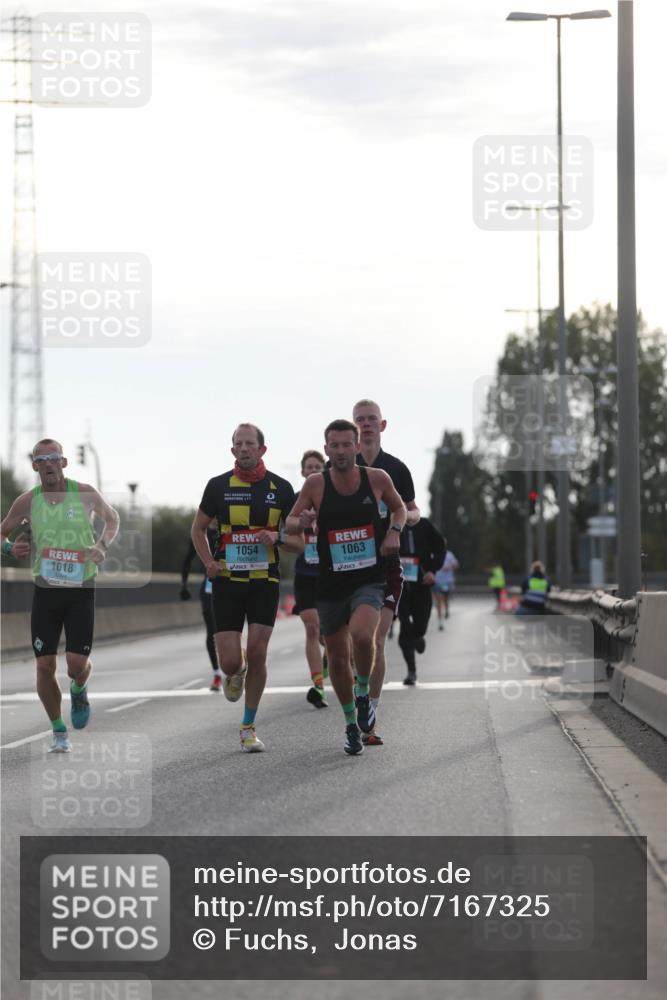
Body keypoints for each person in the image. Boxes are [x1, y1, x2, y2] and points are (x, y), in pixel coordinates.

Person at [286, 419, 407, 756]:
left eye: (345, 445)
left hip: (369, 576)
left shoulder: (377, 479)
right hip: (330, 582)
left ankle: (364, 690)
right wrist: (303, 521)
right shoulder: (315, 484)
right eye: (334, 446)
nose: (340, 451)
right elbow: (290, 522)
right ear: (326, 449)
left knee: (363, 636)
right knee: (338, 657)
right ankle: (352, 724)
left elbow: (398, 507)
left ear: (356, 446)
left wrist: (394, 531)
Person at [0, 439, 119, 753]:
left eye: (54, 458)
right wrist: (10, 548)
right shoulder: (27, 501)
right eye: (42, 460)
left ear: (64, 463)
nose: (48, 464)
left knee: (76, 665)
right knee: (44, 667)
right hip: (46, 591)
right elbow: (2, 532)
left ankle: (79, 687)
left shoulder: (84, 494)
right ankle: (58, 730)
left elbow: (112, 519)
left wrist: (101, 547)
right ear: (35, 466)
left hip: (80, 590)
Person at [191, 423, 303, 753]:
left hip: (263, 582)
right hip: (226, 582)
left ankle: (248, 726)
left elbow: (300, 542)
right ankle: (234, 672)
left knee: (257, 651)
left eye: (249, 443)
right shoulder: (218, 486)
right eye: (238, 444)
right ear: (232, 451)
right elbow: (197, 530)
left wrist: (278, 537)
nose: (243, 448)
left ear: (262, 450)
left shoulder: (281, 489)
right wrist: (209, 562)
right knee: (229, 662)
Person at [352, 399, 420, 745]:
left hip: (386, 564)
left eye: (371, 419)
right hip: (348, 567)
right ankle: (359, 698)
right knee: (356, 643)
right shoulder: (342, 470)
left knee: (376, 640)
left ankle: (370, 714)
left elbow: (413, 509)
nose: (366, 425)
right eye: (360, 420)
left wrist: (404, 519)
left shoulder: (395, 468)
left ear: (383, 425)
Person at [292, 449, 329, 709]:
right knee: (312, 626)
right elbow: (286, 531)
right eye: (309, 467)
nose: (314, 470)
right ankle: (318, 686)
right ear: (303, 472)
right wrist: (299, 524)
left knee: (331, 635)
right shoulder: (296, 501)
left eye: (318, 466)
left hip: (331, 574)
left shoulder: (334, 498)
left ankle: (333, 659)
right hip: (305, 574)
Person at [398, 518, 447, 684]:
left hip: (421, 585)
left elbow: (440, 547)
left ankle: (418, 636)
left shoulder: (424, 525)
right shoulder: (389, 524)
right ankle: (411, 671)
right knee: (405, 626)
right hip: (399, 586)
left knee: (419, 627)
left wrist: (433, 570)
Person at [180, 524, 223, 690]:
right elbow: (187, 560)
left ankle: (235, 666)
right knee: (211, 631)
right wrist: (183, 585)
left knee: (228, 630)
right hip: (209, 588)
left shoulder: (227, 526)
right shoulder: (200, 533)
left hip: (230, 586)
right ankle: (217, 674)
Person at [434, 548, 460, 628]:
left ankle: (447, 610)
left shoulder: (449, 554)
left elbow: (456, 565)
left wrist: (449, 567)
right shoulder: (433, 554)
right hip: (437, 581)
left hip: (448, 581)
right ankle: (440, 622)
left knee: (446, 599)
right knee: (439, 601)